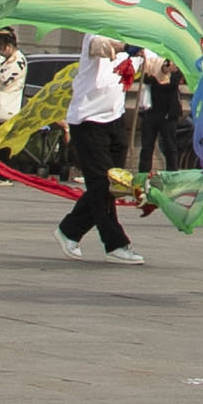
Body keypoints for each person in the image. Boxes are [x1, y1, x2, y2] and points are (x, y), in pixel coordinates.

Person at [58, 36, 146, 262]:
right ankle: (116, 244)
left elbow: (155, 64)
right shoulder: (97, 31)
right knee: (102, 184)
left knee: (113, 186)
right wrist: (125, 47)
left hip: (115, 118)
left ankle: (69, 230)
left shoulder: (139, 34)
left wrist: (167, 64)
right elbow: (100, 47)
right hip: (88, 120)